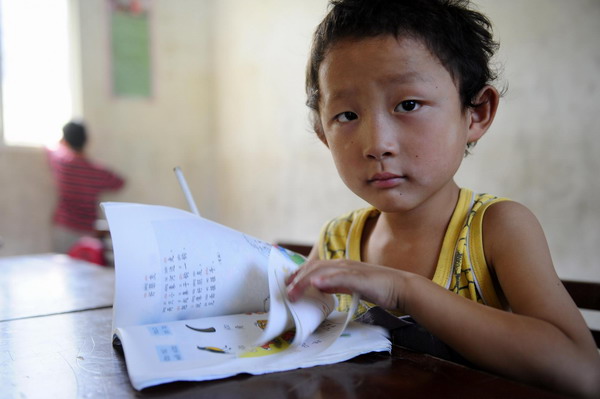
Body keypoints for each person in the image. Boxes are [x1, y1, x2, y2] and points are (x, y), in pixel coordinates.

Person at [285, 0, 600, 397]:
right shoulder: (336, 239)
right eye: (347, 116)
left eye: (408, 105)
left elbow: (584, 373)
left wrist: (405, 290)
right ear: (322, 133)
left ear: (476, 114)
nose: (376, 143)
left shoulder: (497, 228)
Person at [47, 121, 125, 254]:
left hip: (65, 227)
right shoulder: (96, 170)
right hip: (89, 230)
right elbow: (119, 182)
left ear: (64, 141)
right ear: (86, 141)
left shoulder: (63, 164)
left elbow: (50, 151)